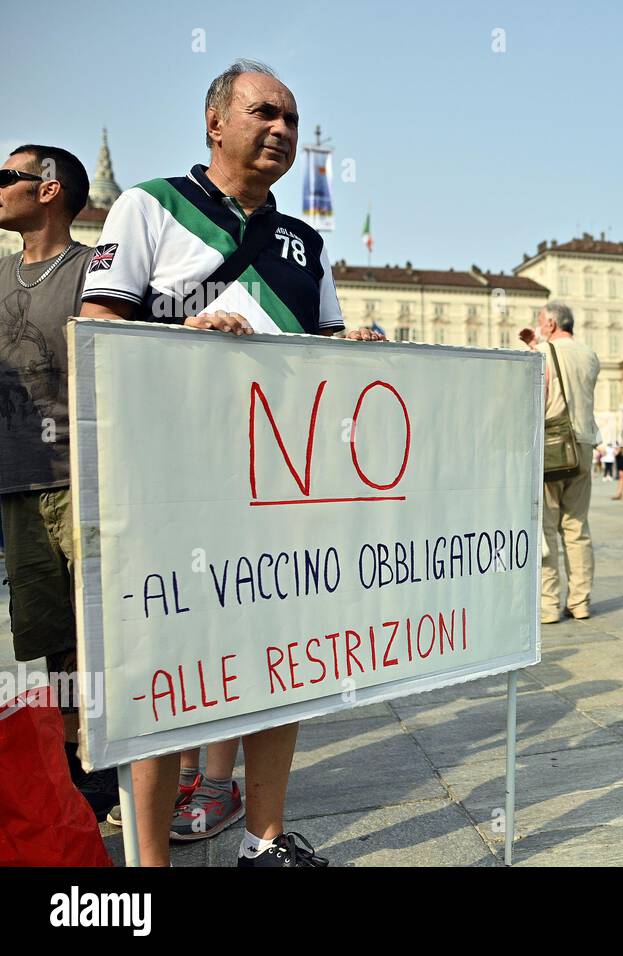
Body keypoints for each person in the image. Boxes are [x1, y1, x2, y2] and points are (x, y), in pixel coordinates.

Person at [80, 59, 383, 867]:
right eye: (263, 114)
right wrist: (185, 338)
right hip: (166, 483)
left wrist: (347, 349)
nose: (281, 130)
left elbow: (320, 353)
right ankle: (146, 870)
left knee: (279, 665)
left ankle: (263, 841)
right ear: (215, 122)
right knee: (163, 678)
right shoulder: (150, 206)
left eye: (290, 118)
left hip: (275, 491)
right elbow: (96, 325)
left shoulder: (305, 242)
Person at [0, 145, 113, 817]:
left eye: (5, 177)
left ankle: (106, 755)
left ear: (47, 190)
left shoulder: (90, 268)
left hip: (81, 475)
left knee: (95, 628)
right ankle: (76, 760)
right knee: (48, 636)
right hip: (15, 478)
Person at [520, 301, 601, 624]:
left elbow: (539, 400)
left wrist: (533, 348)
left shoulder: (542, 353)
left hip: (552, 448)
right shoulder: (590, 355)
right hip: (583, 444)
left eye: (540, 321)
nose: (538, 326)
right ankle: (580, 602)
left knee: (546, 527)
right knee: (577, 526)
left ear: (551, 324)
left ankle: (549, 605)